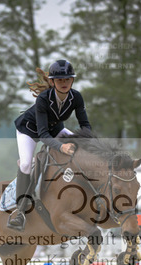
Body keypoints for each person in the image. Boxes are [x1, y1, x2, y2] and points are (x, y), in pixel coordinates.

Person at [8, 59, 92, 231]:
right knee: (26, 164)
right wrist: (61, 147)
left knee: (83, 148)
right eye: (60, 80)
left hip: (55, 130)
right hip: (30, 131)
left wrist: (88, 142)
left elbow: (85, 125)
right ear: (53, 82)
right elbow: (43, 134)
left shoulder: (76, 97)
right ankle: (20, 211)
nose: (64, 83)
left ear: (72, 80)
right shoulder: (43, 99)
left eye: (67, 79)